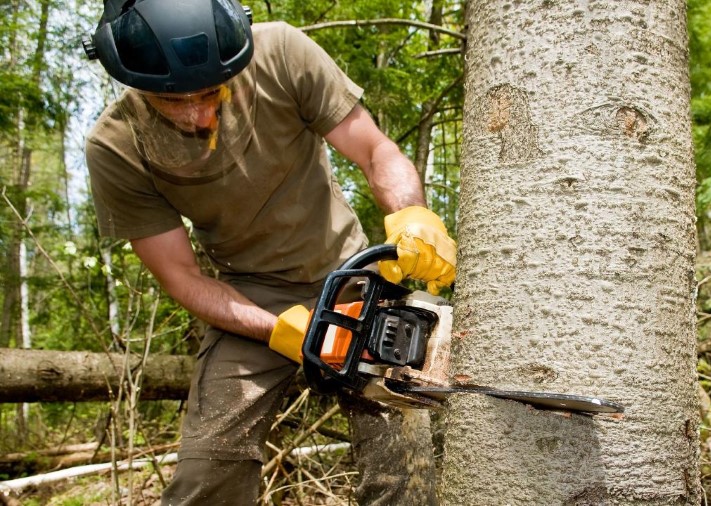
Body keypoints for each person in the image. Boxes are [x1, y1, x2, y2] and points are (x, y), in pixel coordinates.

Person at [81, 0, 455, 503]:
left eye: (211, 92)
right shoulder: (116, 146)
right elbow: (182, 277)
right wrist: (275, 329)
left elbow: (375, 151)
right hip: (247, 301)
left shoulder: (280, 53)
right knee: (211, 464)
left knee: (399, 468)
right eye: (174, 101)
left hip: (351, 281)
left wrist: (413, 215)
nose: (199, 114)